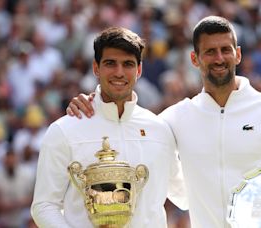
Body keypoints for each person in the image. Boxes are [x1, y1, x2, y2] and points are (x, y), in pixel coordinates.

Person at [67, 16, 261, 228]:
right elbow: (125, 123)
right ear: (195, 58)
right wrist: (94, 104)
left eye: (225, 50)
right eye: (210, 52)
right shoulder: (174, 119)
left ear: (238, 54)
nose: (219, 58)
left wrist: (251, 211)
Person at [31, 27, 187, 228]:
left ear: (139, 70)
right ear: (96, 68)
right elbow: (44, 206)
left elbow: (183, 195)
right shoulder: (64, 130)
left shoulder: (160, 130)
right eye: (110, 63)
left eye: (128, 64)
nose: (119, 72)